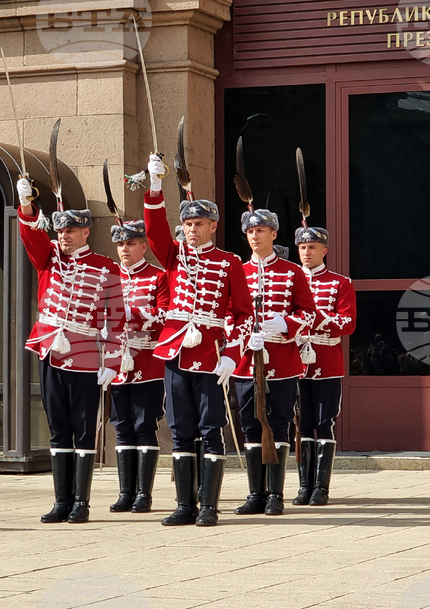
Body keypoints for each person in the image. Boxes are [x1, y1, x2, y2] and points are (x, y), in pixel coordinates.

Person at [142, 155, 252, 526]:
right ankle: (184, 505)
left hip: (211, 353)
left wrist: (232, 356)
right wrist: (155, 186)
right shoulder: (174, 255)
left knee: (210, 428)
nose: (192, 229)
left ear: (213, 226)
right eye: (188, 223)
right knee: (180, 429)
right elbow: (155, 229)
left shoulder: (229, 262)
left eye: (199, 223)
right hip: (175, 350)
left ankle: (208, 505)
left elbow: (243, 314)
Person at [16, 178, 124, 524]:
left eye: (71, 231)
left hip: (86, 355)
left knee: (83, 428)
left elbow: (115, 316)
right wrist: (27, 204)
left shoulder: (106, 267)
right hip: (50, 349)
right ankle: (61, 501)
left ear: (86, 232)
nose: (64, 236)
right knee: (58, 426)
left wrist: (112, 360)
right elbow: (31, 235)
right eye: (61, 230)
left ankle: (81, 502)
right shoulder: (49, 258)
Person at [231, 210, 316, 516]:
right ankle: (256, 494)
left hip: (281, 360)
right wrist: (242, 336)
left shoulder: (293, 272)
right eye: (250, 232)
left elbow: (309, 313)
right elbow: (227, 313)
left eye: (261, 231)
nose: (255, 236)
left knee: (279, 424)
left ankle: (275, 495)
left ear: (274, 234)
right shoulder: (237, 271)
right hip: (246, 361)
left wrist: (285, 323)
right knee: (250, 425)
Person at [108, 220, 169, 513]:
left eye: (130, 243)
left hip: (147, 361)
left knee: (144, 426)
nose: (124, 249)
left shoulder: (158, 277)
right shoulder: (108, 278)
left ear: (143, 246)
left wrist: (134, 313)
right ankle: (125, 493)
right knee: (121, 427)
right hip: (116, 363)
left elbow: (166, 314)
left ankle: (144, 494)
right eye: (120, 244)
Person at [293, 226, 356, 506]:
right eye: (302, 248)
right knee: (302, 424)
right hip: (295, 361)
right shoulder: (291, 279)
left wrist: (315, 318)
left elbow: (348, 323)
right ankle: (304, 486)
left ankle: (321, 488)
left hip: (326, 361)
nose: (307, 252)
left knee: (324, 422)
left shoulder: (340, 283)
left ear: (324, 251)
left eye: (312, 248)